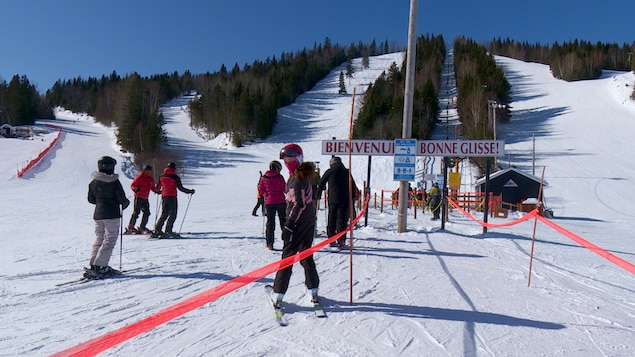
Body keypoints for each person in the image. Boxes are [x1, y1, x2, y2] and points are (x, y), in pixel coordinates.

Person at [270, 144, 320, 309]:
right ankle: (313, 289)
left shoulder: (297, 178)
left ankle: (278, 293)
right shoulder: (301, 176)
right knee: (306, 256)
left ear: (298, 158)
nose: (287, 161)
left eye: (290, 158)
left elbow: (298, 205)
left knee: (287, 258)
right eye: (285, 159)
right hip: (308, 222)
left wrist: (289, 225)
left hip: (298, 224)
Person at [85, 156, 130, 279]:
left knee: (99, 238)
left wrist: (101, 201)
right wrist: (125, 204)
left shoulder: (94, 182)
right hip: (112, 214)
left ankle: (94, 264)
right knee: (109, 239)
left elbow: (91, 199)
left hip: (98, 214)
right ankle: (101, 266)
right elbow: (122, 199)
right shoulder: (113, 181)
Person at [317, 156, 359, 248]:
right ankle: (341, 239)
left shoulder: (329, 171)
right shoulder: (346, 172)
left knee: (331, 219)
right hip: (345, 199)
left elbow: (321, 183)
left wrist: (319, 194)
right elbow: (352, 185)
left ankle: (331, 239)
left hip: (333, 199)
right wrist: (353, 196)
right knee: (342, 220)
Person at [152, 162, 195, 238]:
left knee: (164, 213)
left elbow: (158, 187)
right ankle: (168, 231)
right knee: (173, 214)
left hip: (164, 196)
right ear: (174, 168)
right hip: (172, 197)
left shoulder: (161, 176)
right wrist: (190, 191)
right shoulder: (175, 177)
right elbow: (180, 188)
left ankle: (157, 229)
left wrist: (159, 192)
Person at [257, 161, 287, 250]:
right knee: (283, 222)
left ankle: (270, 243)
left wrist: (266, 194)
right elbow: (284, 188)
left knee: (270, 223)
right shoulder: (279, 177)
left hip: (269, 202)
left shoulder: (264, 178)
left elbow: (260, 190)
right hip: (280, 201)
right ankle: (286, 242)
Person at [127, 165, 159, 234]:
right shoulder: (139, 177)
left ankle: (142, 227)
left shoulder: (151, 179)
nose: (148, 173)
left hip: (145, 198)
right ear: (144, 171)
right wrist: (135, 189)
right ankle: (131, 227)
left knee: (147, 213)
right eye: (147, 171)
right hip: (138, 197)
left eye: (149, 171)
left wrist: (157, 191)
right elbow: (133, 185)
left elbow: (153, 188)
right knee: (136, 212)